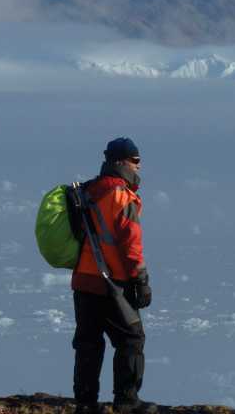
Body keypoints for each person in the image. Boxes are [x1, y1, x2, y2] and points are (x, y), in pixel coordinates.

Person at [71, 137, 155, 414]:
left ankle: (85, 403)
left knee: (88, 342)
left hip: (84, 279)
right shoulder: (121, 195)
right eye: (136, 161)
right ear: (121, 162)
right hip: (112, 283)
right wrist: (140, 281)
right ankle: (127, 401)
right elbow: (130, 244)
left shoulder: (88, 191)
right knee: (132, 339)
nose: (139, 167)